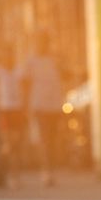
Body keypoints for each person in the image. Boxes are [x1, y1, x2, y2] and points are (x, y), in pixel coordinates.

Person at [20, 31, 65, 187]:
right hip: (39, 105)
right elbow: (24, 83)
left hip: (55, 105)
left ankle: (50, 169)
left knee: (52, 140)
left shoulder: (54, 60)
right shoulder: (30, 62)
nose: (42, 44)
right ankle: (46, 172)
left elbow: (65, 75)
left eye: (44, 41)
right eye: (39, 41)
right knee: (44, 139)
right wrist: (25, 105)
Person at [0, 44, 25, 189]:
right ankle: (5, 172)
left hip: (17, 111)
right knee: (8, 144)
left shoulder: (18, 71)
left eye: (9, 54)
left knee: (16, 144)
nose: (7, 57)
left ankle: (15, 175)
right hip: (4, 111)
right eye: (4, 54)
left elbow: (25, 89)